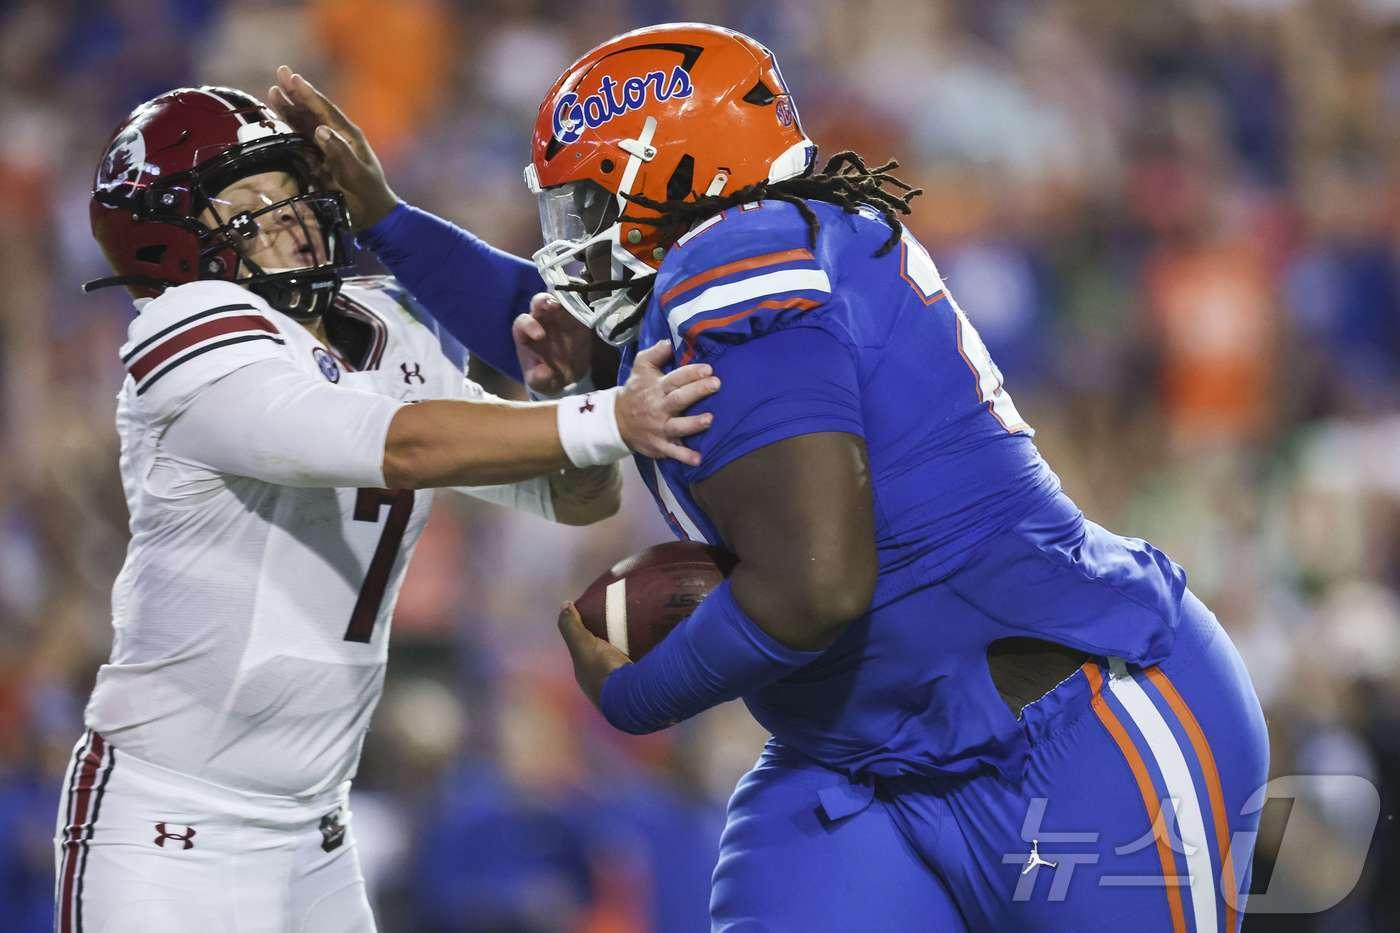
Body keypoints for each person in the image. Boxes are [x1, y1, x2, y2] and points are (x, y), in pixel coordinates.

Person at [524, 24, 1268, 932]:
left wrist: (638, 696)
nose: (574, 244)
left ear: (671, 174)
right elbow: (526, 332)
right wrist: (392, 228)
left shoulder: (734, 254)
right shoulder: (735, 274)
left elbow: (819, 583)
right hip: (859, 755)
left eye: (590, 205)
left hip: (1068, 726)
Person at [59, 84, 719, 933]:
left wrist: (573, 396)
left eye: (290, 186)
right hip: (174, 822)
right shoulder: (187, 326)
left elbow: (575, 498)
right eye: (250, 202)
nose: (290, 213)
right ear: (171, 240)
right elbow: (395, 443)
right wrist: (605, 416)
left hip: (317, 830)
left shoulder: (390, 319)